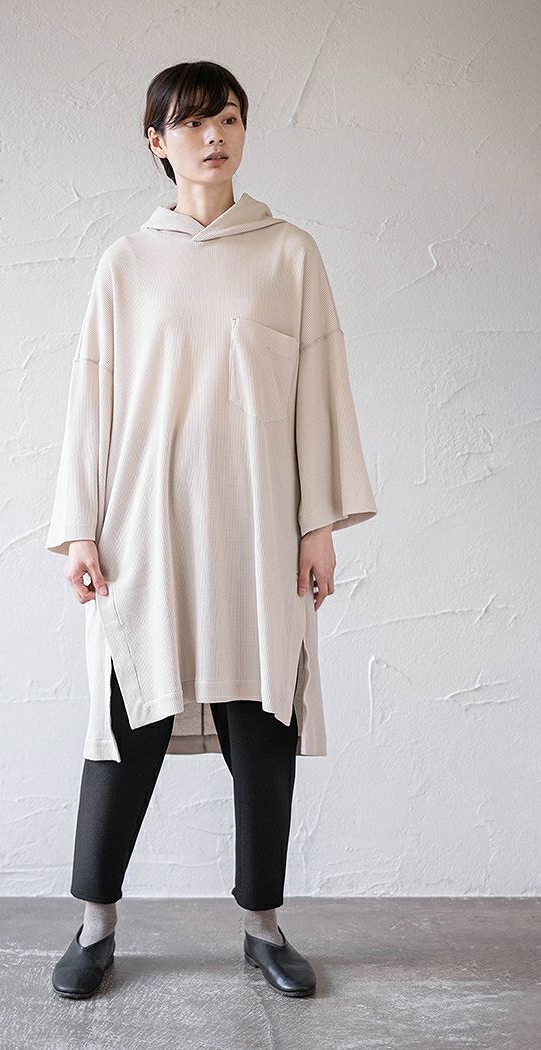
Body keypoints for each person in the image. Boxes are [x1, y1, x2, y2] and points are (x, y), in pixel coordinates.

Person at [47, 61, 377, 1000]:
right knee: (126, 721)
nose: (214, 136)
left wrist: (319, 524)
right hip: (144, 527)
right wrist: (80, 529)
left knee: (261, 722)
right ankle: (95, 925)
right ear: (157, 141)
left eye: (228, 118)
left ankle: (263, 928)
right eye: (192, 123)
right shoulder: (127, 262)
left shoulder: (289, 254)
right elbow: (92, 400)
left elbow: (319, 392)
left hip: (259, 528)